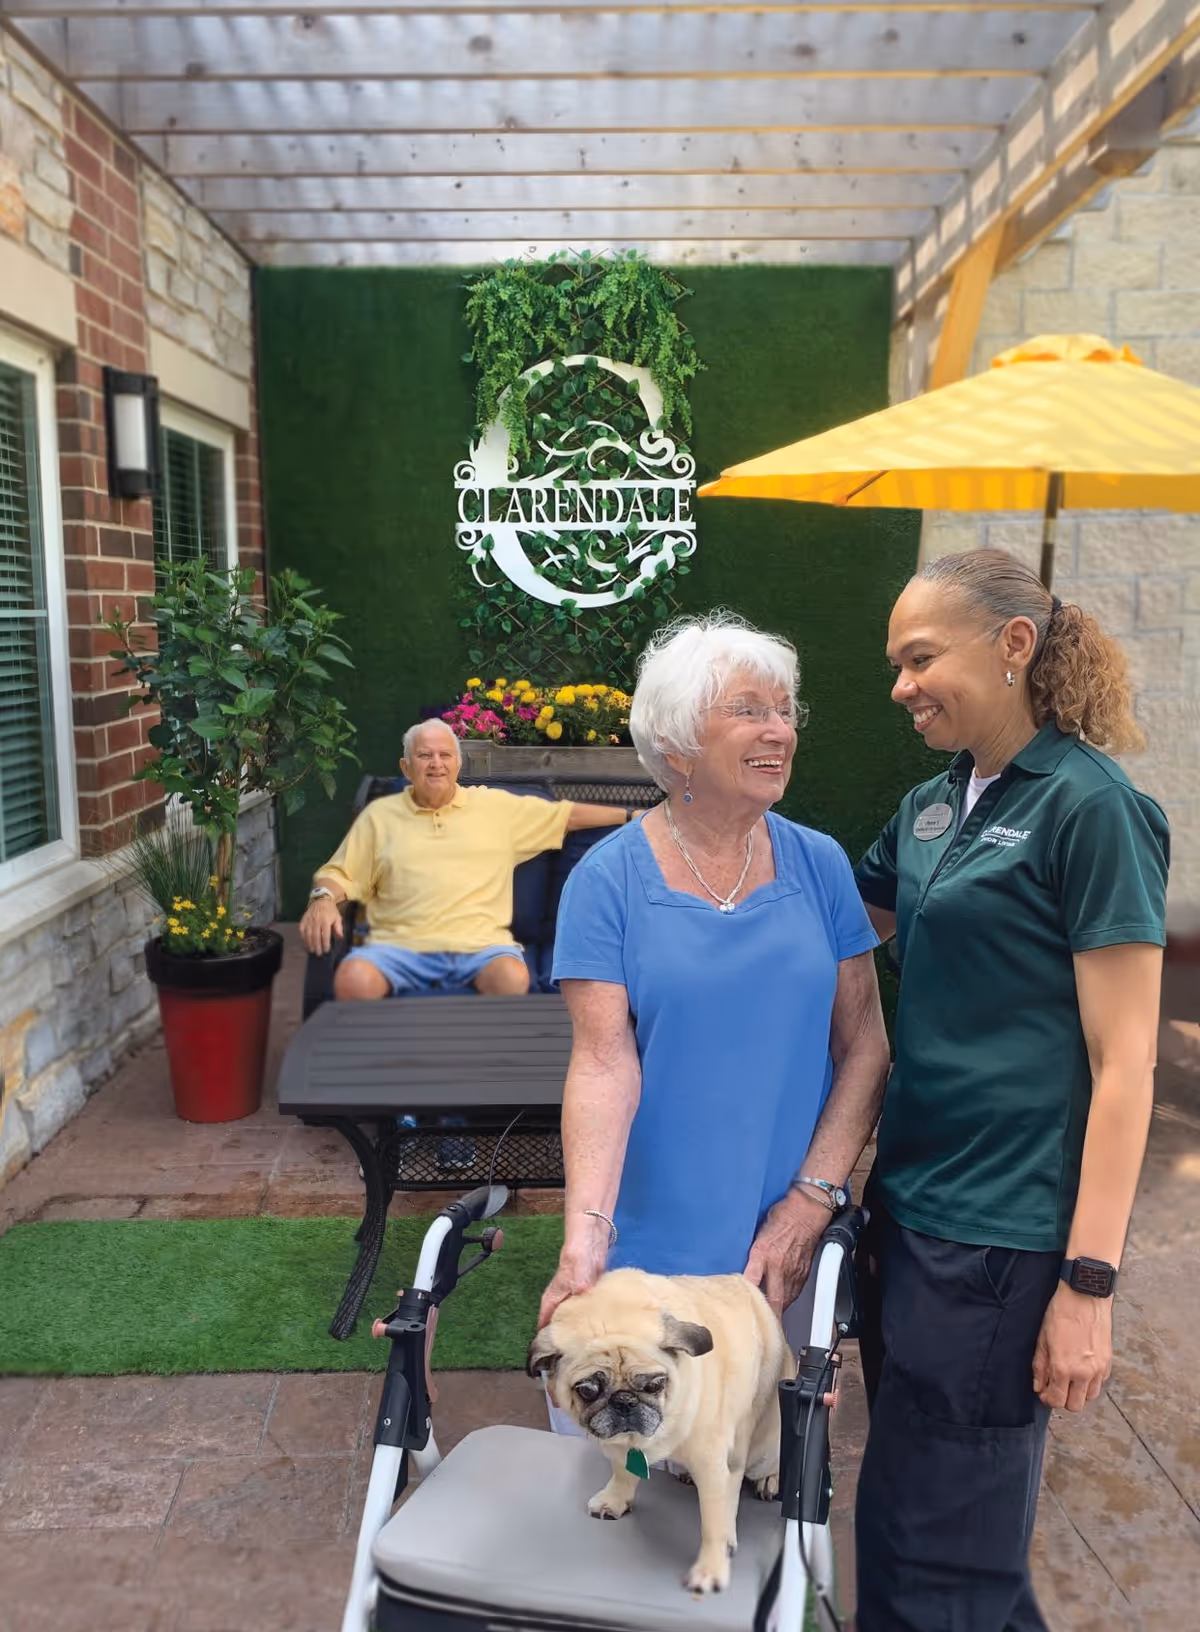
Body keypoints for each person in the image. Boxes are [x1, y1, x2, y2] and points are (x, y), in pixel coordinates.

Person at [852, 549, 1169, 1632]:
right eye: (897, 665)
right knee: (924, 1517)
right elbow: (846, 924)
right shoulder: (935, 802)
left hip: (1002, 1235)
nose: (901, 686)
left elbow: (1127, 1065)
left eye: (920, 658)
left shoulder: (1093, 808)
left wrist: (1089, 1285)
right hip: (908, 1208)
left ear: (1015, 646)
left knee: (935, 1554)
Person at [537, 612, 892, 1370]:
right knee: (648, 1426)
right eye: (749, 711)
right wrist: (586, 1234)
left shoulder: (820, 863)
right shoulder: (607, 880)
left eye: (785, 712)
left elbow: (865, 1046)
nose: (780, 732)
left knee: (778, 1431)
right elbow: (603, 1063)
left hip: (786, 1231)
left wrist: (811, 1200)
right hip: (653, 1240)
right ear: (677, 746)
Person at [298, 718, 634, 997]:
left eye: (445, 755)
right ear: (406, 767)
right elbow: (340, 873)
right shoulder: (380, 816)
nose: (436, 764)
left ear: (458, 764)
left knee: (511, 978)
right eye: (424, 755)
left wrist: (634, 817)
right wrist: (323, 898)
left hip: (481, 948)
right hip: (398, 948)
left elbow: (568, 815)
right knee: (353, 980)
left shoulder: (496, 808)